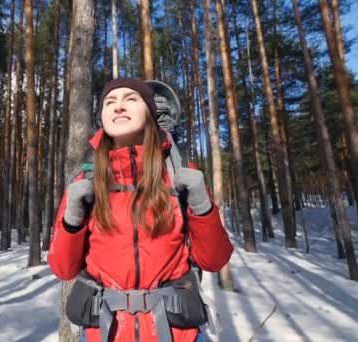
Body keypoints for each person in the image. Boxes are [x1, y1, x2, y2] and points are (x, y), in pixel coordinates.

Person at [48, 77, 234, 342]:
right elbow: (63, 269)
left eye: (131, 99)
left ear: (150, 112)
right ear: (102, 117)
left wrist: (202, 206)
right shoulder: (85, 183)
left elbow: (214, 260)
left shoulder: (178, 175)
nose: (118, 106)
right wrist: (72, 221)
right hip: (103, 333)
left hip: (178, 333)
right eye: (110, 102)